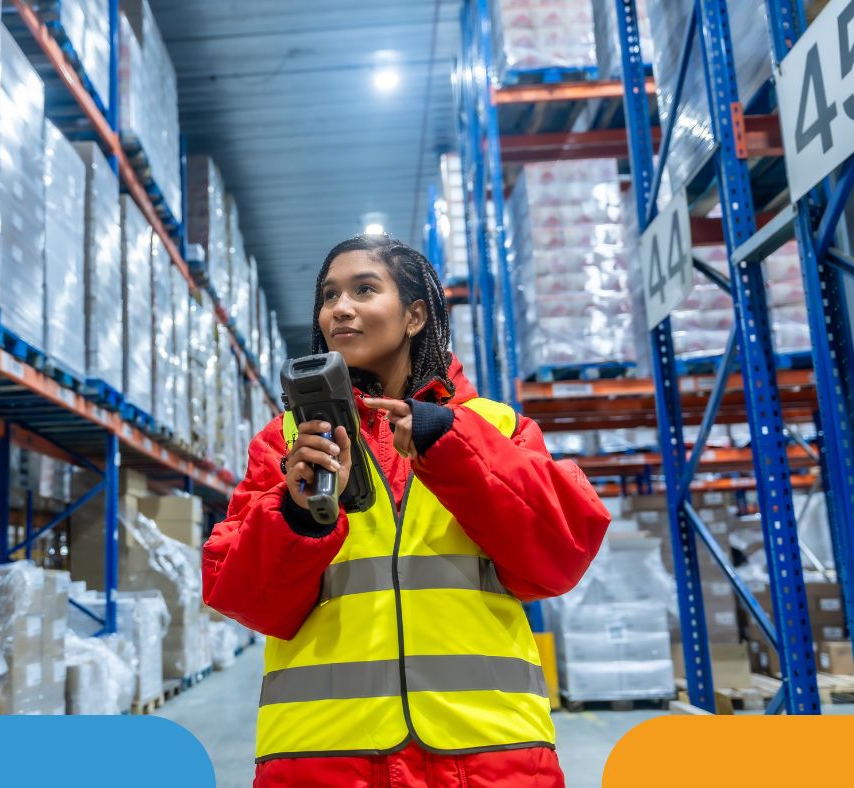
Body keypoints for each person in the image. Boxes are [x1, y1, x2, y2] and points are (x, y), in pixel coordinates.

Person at [202, 234, 611, 787]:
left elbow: (558, 560)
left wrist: (454, 446)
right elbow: (242, 597)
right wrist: (297, 515)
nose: (339, 308)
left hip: (489, 756)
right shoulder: (287, 444)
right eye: (329, 296)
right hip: (326, 759)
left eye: (364, 290)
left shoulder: (496, 427)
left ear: (415, 315)